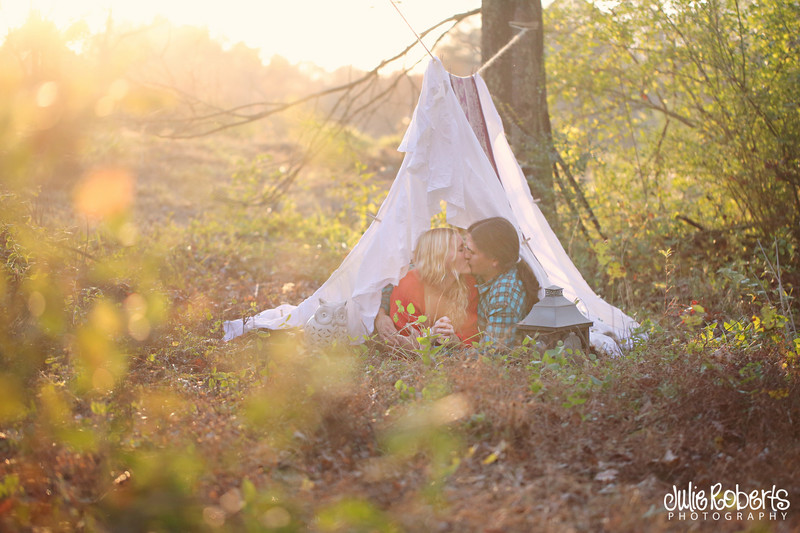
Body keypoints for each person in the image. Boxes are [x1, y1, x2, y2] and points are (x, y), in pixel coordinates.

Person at [374, 227, 479, 347]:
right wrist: (432, 336)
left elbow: (472, 336)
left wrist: (455, 340)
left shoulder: (468, 283)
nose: (468, 254)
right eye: (461, 249)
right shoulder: (408, 285)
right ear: (439, 256)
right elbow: (401, 344)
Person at [464, 217, 540, 347]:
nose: (466, 255)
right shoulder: (488, 276)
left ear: (494, 259)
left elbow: (491, 353)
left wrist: (447, 352)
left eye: (472, 252)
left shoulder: (504, 294)